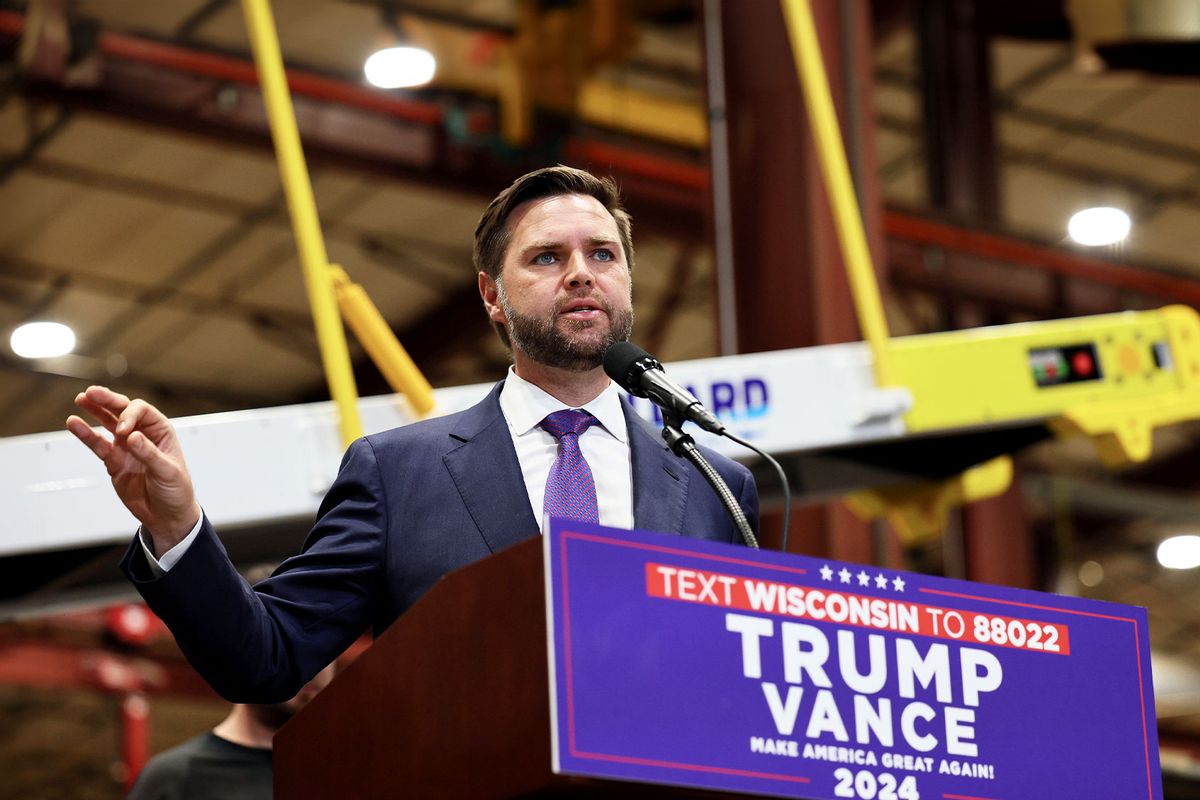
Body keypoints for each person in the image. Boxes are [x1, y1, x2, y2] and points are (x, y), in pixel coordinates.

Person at [67, 166, 759, 704]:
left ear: (628, 280)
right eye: (547, 257)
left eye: (603, 254)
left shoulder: (715, 486)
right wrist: (178, 526)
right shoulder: (398, 474)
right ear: (492, 295)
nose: (581, 271)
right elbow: (267, 658)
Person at [126, 663, 335, 800]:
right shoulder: (174, 778)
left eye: (327, 640)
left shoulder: (349, 771)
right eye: (286, 641)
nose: (309, 662)